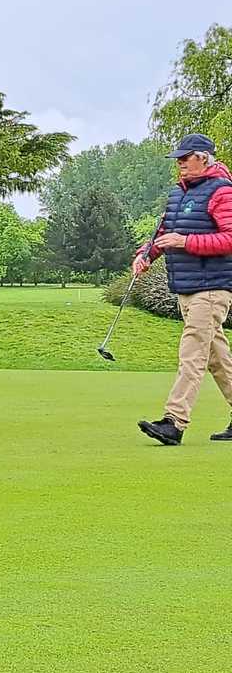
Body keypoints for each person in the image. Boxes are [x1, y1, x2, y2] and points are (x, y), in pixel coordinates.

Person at [136, 134, 232, 445]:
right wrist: (146, 255)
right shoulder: (179, 193)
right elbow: (164, 232)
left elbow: (230, 238)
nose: (179, 162)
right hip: (186, 288)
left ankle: (174, 422)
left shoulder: (222, 191)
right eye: (178, 157)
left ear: (203, 158)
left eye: (185, 157)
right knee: (217, 358)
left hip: (212, 288)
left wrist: (186, 242)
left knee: (192, 354)